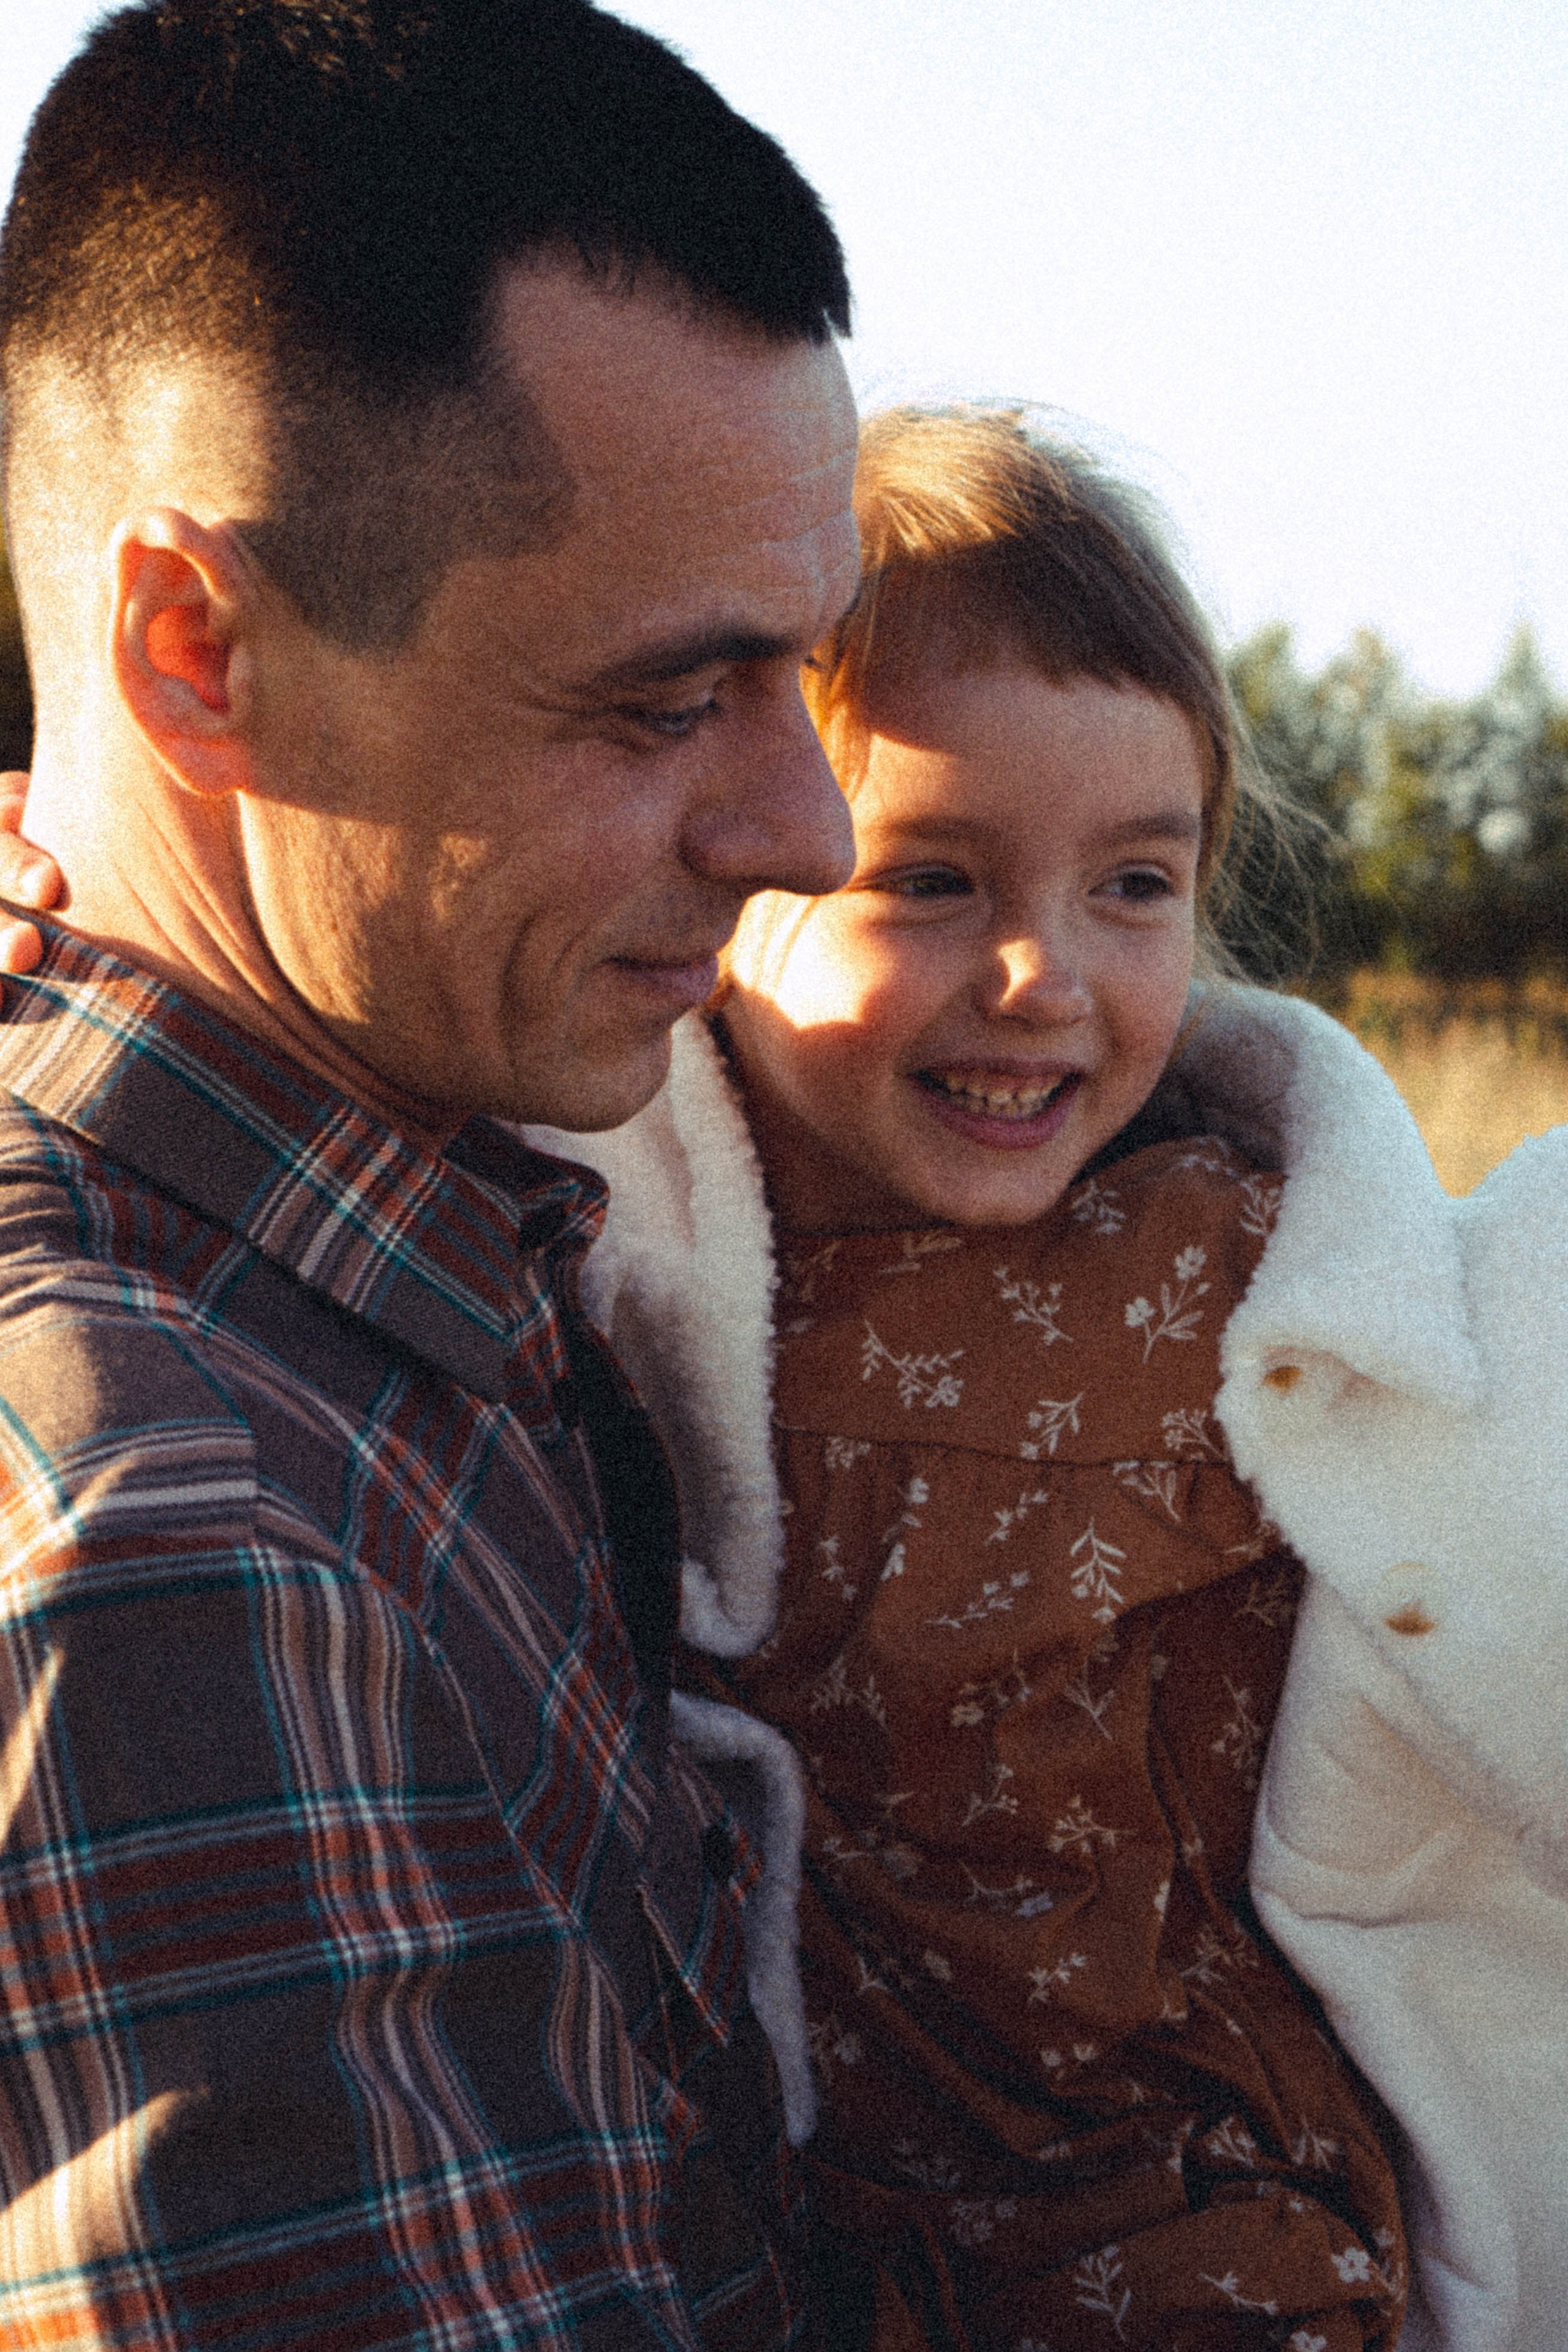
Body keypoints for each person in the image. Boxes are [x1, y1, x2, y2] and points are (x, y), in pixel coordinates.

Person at [0, 2, 861, 2345]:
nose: (811, 832)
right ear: (198, 650)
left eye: (809, 674)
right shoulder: (172, 1548)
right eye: (667, 701)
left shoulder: (393, 1200)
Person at [524, 408, 1412, 2351]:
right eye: (929, 881)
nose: (1049, 976)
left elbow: (1494, 1459)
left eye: (1137, 885)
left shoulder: (1228, 1270)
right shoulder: (582, 1238)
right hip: (791, 2251)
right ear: (729, 883)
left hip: (1183, 2225)